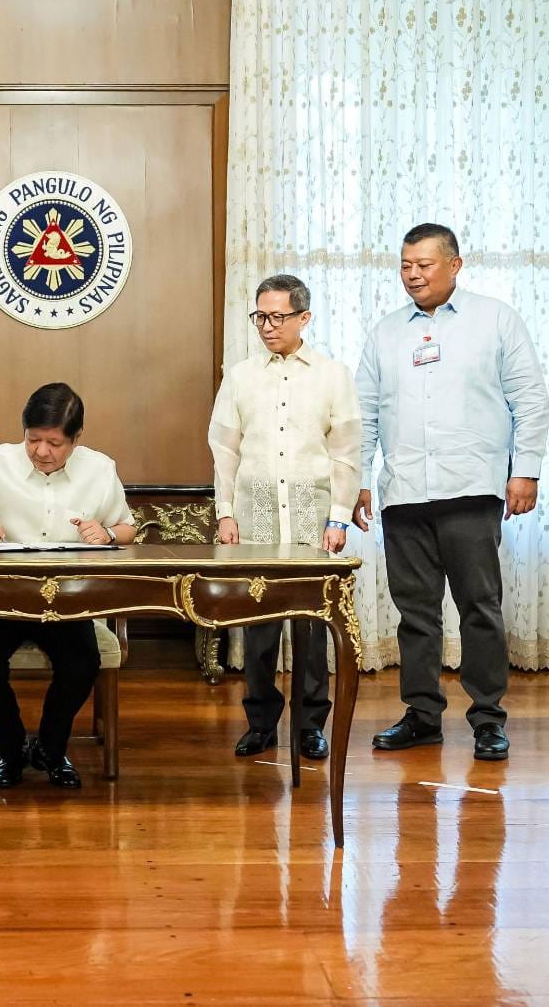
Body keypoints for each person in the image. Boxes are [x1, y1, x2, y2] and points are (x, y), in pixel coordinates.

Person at [354, 223, 549, 761]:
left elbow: (530, 399)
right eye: (405, 266)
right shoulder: (386, 332)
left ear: (455, 264)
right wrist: (359, 480)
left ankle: (488, 718)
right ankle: (421, 715)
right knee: (415, 612)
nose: (413, 275)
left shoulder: (496, 320)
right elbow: (364, 413)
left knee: (479, 607)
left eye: (424, 264)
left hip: (471, 488)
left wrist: (525, 470)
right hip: (404, 492)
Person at [0, 383, 137, 788]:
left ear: (76, 438)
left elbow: (127, 529)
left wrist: (108, 534)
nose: (42, 451)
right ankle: (11, 749)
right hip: (0, 596)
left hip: (65, 599)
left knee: (82, 664)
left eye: (54, 443)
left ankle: (51, 749)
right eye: (33, 439)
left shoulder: (99, 469)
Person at [209, 274, 359, 760]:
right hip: (255, 515)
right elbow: (224, 450)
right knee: (259, 623)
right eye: (260, 317)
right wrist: (226, 513)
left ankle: (311, 725)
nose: (268, 326)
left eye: (278, 317)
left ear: (304, 317)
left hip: (312, 515)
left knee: (312, 626)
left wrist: (339, 517)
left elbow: (346, 452)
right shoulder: (241, 376)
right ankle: (260, 723)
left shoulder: (332, 375)